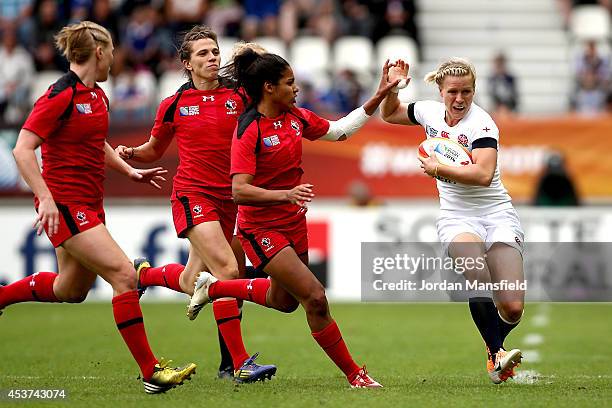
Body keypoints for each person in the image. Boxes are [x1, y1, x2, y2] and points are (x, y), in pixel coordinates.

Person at [0, 21, 196, 394]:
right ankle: (151, 372)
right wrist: (44, 198)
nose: (115, 59)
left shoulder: (96, 96)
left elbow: (96, 142)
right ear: (100, 52)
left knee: (71, 289)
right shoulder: (60, 95)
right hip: (67, 206)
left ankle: (2, 296)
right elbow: (22, 149)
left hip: (89, 204)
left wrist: (128, 170)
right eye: (112, 51)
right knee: (124, 276)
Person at [186, 49, 400, 388]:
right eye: (290, 83)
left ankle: (216, 287)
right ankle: (355, 374)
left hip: (293, 223)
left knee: (284, 302)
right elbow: (239, 191)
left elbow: (341, 130)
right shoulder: (249, 130)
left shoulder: (295, 116)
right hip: (261, 228)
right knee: (315, 297)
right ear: (269, 88)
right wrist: (286, 194)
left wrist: (379, 95)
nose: (296, 88)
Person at [115, 26, 275, 383]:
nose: (212, 58)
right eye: (203, 53)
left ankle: (146, 275)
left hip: (230, 200)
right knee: (229, 273)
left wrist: (250, 51)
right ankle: (239, 363)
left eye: (215, 51)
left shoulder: (240, 94)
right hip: (192, 196)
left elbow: (270, 75)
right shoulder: (173, 104)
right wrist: (132, 154)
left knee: (193, 281)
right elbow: (154, 148)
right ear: (186, 63)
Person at [380, 58, 525, 384]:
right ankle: (497, 354)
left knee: (513, 307)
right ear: (440, 91)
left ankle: (494, 351)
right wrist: (392, 89)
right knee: (477, 272)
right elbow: (389, 114)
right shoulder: (429, 112)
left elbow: (484, 174)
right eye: (453, 92)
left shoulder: (482, 125)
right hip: (457, 217)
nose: (460, 99)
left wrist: (439, 168)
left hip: (497, 214)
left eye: (467, 92)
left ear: (474, 91)